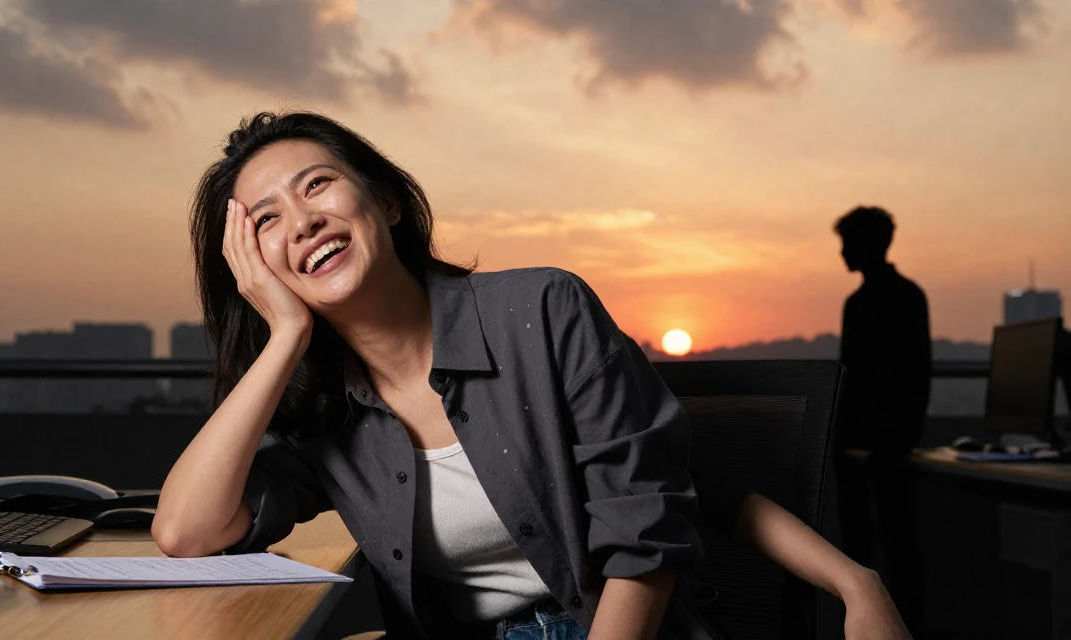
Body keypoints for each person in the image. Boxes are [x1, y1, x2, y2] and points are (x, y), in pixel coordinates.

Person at [153, 111, 909, 639]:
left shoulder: (542, 309)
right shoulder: (322, 407)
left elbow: (646, 538)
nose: (302, 220)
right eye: (265, 221)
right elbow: (185, 531)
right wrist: (286, 334)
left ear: (383, 199)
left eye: (316, 186)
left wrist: (856, 581)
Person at [833, 206, 930, 636]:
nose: (843, 253)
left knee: (881, 545)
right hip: (878, 442)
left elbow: (903, 374)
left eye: (847, 243)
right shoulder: (903, 295)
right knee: (890, 544)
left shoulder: (875, 301)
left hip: (877, 444)